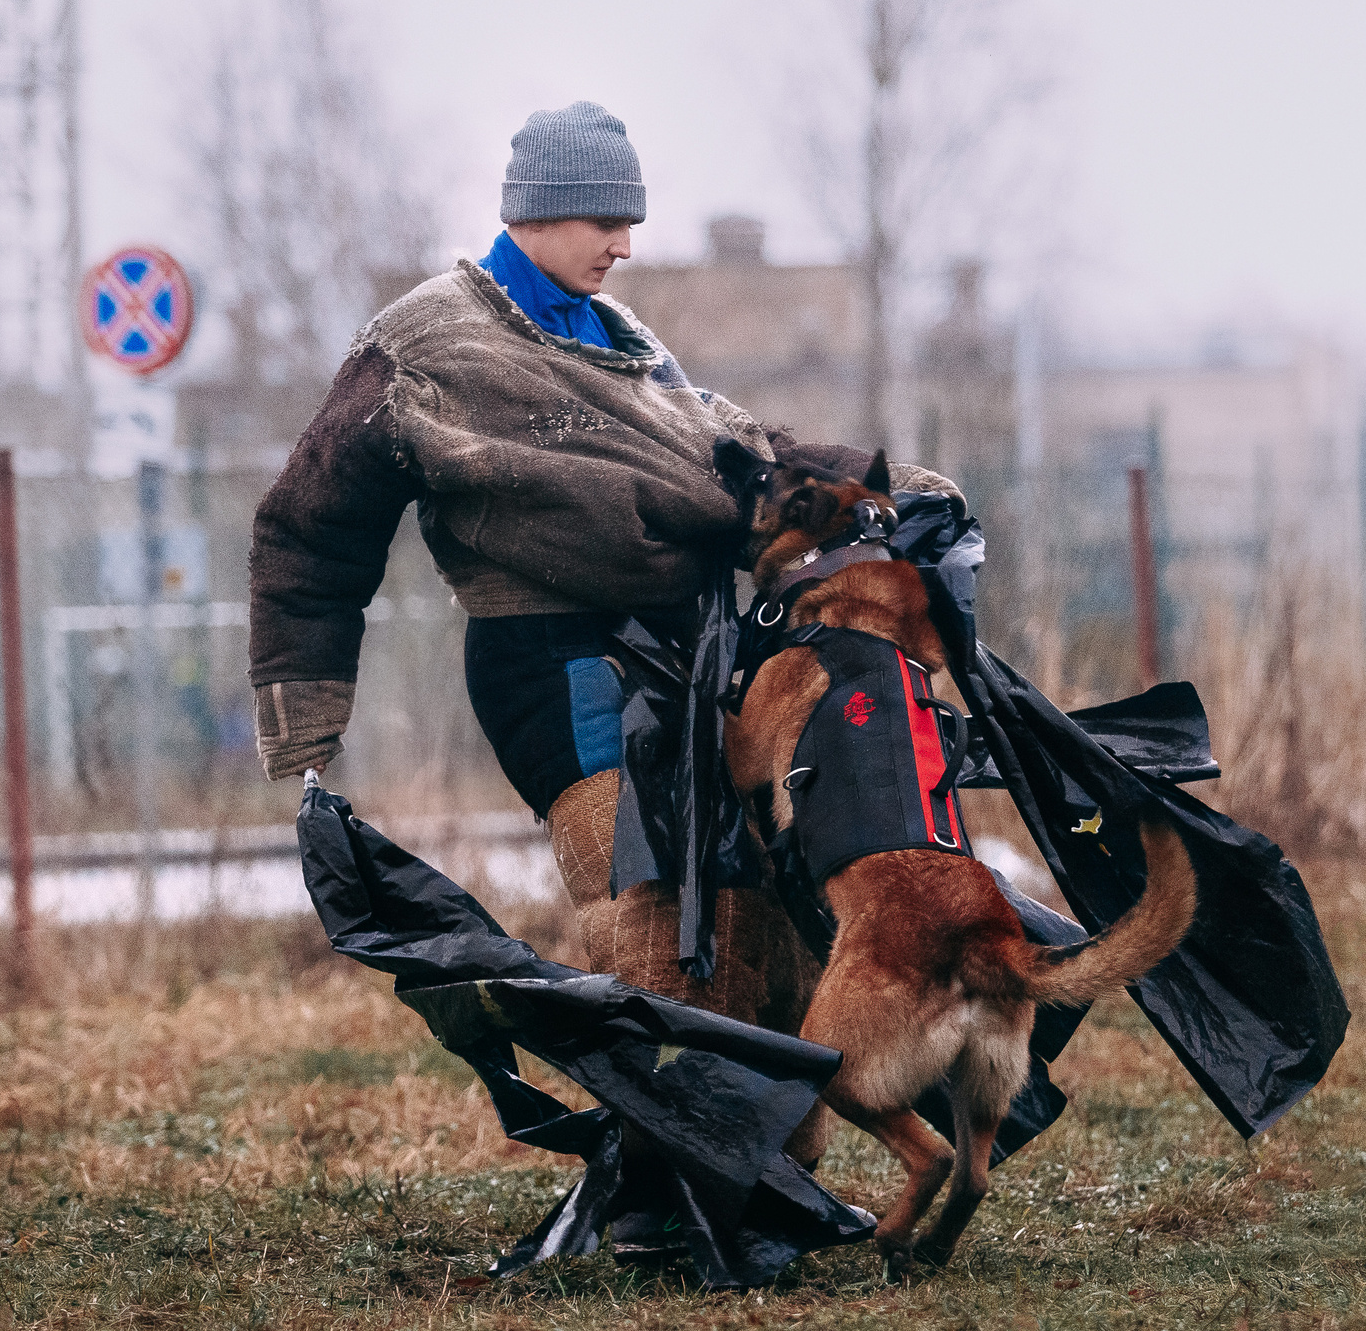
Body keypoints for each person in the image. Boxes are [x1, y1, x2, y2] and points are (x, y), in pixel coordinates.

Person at [248, 100, 951, 1050]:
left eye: (632, 223)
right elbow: (311, 525)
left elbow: (738, 454)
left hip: (685, 652)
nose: (625, 244)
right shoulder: (426, 346)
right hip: (555, 662)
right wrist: (306, 719)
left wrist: (881, 490)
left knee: (757, 925)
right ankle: (665, 1189)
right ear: (535, 212)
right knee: (653, 937)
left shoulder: (622, 337)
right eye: (605, 222)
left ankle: (764, 1178)